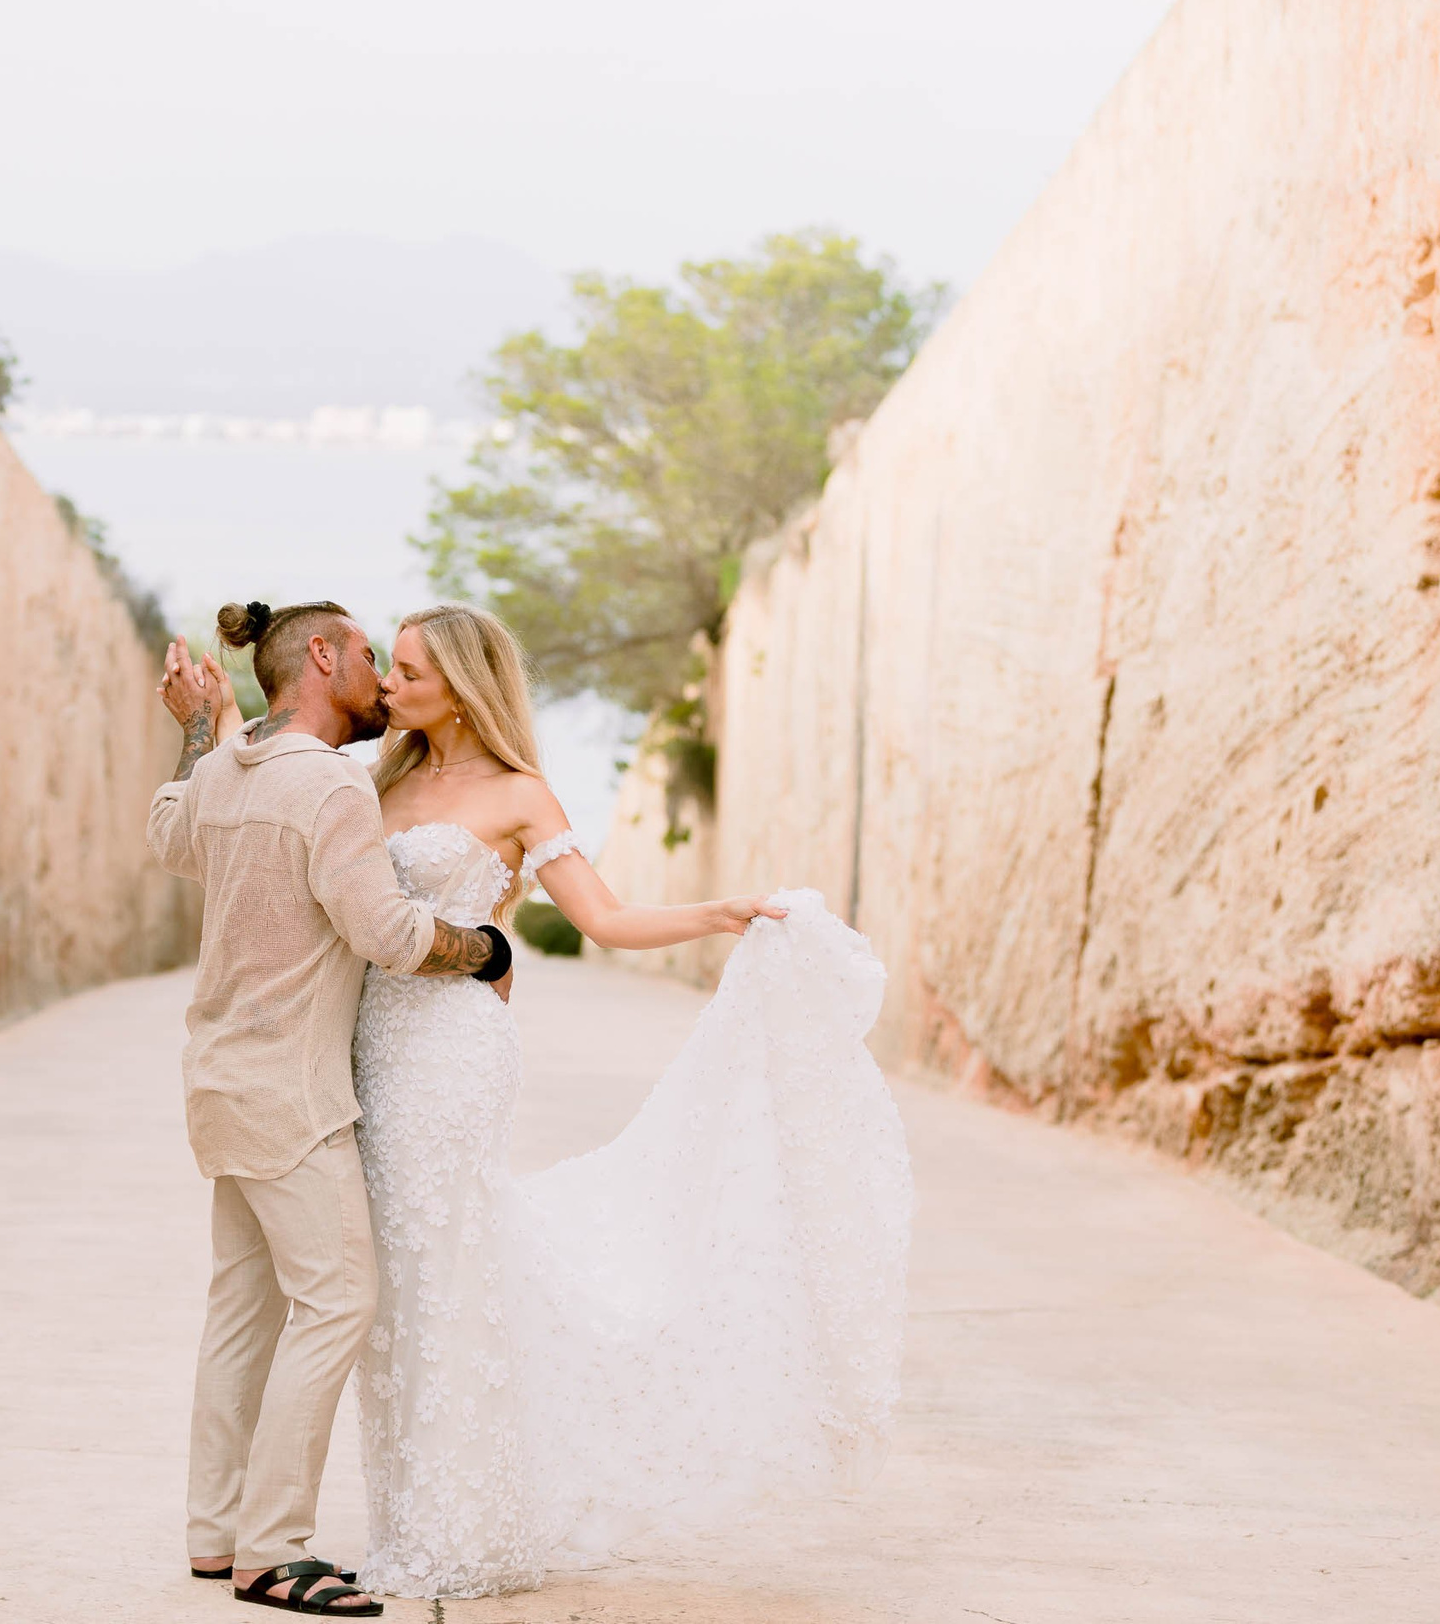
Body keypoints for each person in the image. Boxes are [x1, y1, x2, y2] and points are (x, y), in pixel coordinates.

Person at [209, 601, 914, 1601]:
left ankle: (458, 1531)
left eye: (407, 670)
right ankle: (412, 1516)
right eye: (389, 666)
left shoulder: (519, 793)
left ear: (459, 683)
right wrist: (212, 726)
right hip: (364, 1054)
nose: (390, 685)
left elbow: (605, 917)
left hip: (451, 1055)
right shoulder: (376, 779)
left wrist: (720, 913)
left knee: (442, 1272)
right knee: (390, 1298)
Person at [146, 599, 514, 1618]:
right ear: (319, 656)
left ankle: (215, 1535)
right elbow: (387, 933)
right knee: (339, 1300)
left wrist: (198, 725)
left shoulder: (224, 771)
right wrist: (486, 950)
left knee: (243, 1311)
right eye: (365, 655)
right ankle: (275, 1550)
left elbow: (169, 837)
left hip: (218, 1081)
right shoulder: (331, 791)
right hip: (291, 1097)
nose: (379, 677)